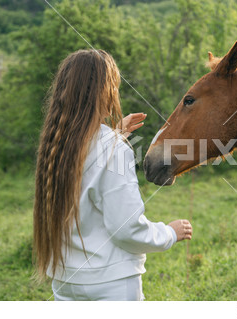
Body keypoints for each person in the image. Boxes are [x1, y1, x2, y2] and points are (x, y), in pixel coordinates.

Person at [33, 49, 192, 301]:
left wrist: (114, 136)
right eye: (113, 86)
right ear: (103, 92)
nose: (115, 93)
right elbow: (127, 229)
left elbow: (87, 167)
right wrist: (170, 233)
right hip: (110, 285)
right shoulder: (113, 149)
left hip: (65, 281)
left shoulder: (57, 143)